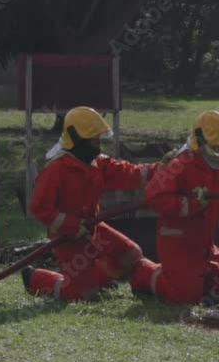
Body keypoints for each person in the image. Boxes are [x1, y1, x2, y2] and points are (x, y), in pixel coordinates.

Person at [129, 111, 219, 304]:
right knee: (185, 295)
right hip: (178, 243)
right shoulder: (180, 164)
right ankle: (143, 274)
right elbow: (154, 195)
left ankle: (196, 278)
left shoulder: (218, 166)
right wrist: (191, 204)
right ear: (201, 141)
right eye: (217, 145)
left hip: (204, 245)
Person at [23, 107, 158, 300]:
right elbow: (40, 208)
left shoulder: (96, 164)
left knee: (130, 254)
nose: (99, 145)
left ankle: (98, 280)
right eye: (95, 140)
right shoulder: (56, 170)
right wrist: (71, 225)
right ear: (78, 139)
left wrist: (160, 169)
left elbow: (130, 173)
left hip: (93, 229)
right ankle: (36, 279)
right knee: (82, 294)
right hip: (68, 238)